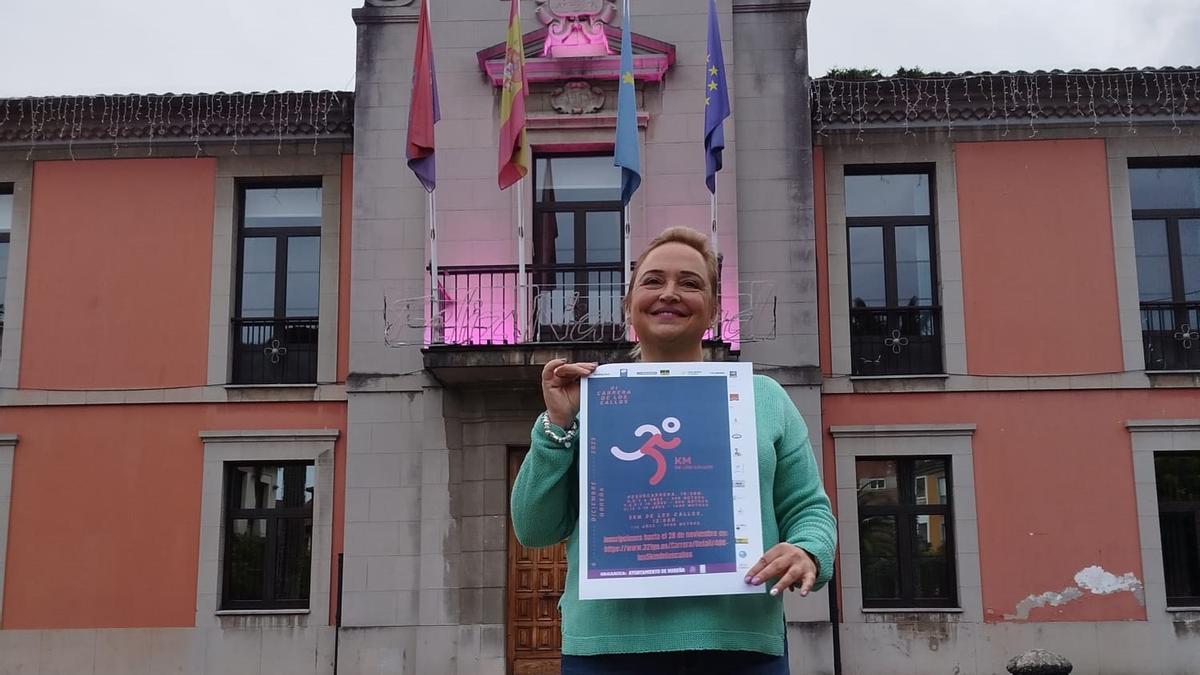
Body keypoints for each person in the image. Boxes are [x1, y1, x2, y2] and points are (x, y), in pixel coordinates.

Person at [510, 226, 837, 675]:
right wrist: (557, 427)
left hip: (739, 646)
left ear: (714, 310)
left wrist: (808, 552)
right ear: (629, 305)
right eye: (652, 281)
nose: (669, 293)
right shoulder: (585, 403)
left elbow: (809, 509)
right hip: (606, 651)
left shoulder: (764, 398)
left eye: (690, 282)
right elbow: (534, 528)